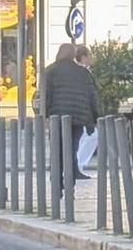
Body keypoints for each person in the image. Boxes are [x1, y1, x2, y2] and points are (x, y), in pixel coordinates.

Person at [39, 42, 99, 196]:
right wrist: (94, 118)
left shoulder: (49, 71)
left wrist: (45, 116)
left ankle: (57, 186)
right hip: (77, 118)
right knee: (72, 151)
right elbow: (92, 96)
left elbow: (45, 96)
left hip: (56, 118)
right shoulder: (83, 73)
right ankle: (70, 185)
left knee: (57, 152)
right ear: (73, 55)